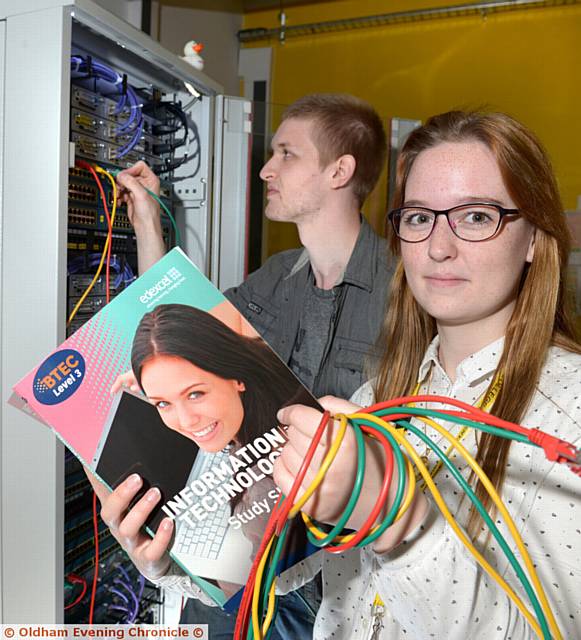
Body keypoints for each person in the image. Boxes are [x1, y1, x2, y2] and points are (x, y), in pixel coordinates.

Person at [270, 110, 581, 639]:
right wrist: (175, 556)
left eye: (477, 216)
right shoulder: (380, 397)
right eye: (418, 217)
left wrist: (398, 518)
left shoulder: (568, 408)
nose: (438, 247)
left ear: (534, 239)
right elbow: (310, 577)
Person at [104, 93, 392, 637]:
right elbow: (175, 321)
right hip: (246, 562)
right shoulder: (275, 278)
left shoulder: (404, 291)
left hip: (338, 590)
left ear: (339, 170)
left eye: (287, 153)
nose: (266, 168)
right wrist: (146, 218)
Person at [125, 303, 315, 597]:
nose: (186, 421)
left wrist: (162, 573)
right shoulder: (267, 365)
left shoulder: (266, 479)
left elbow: (252, 588)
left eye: (195, 393)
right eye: (163, 403)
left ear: (236, 376)